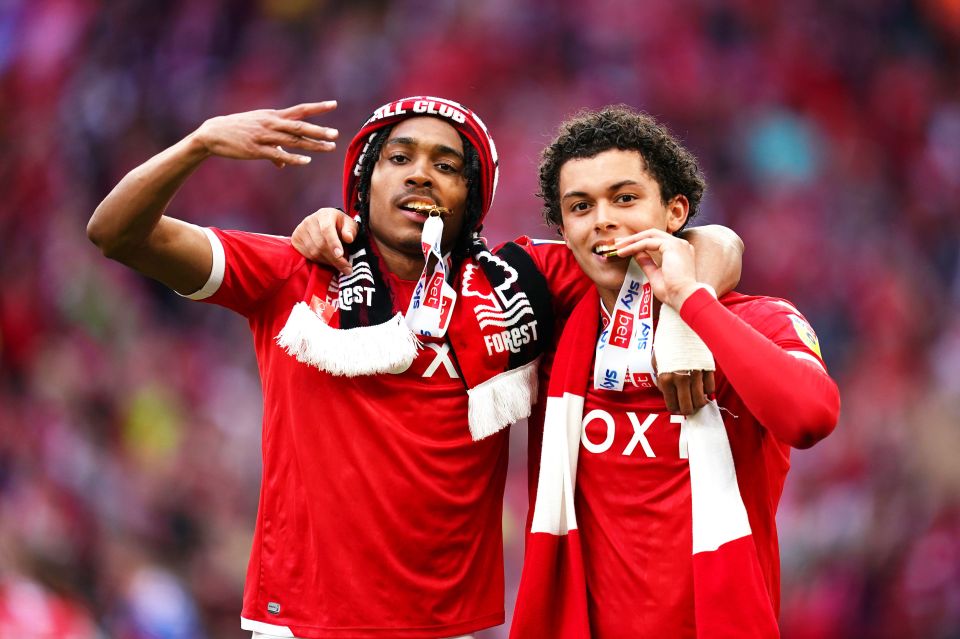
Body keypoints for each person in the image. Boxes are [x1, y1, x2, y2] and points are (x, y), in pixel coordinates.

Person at [87, 96, 741, 639]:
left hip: (454, 628)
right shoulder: (292, 271)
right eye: (399, 158)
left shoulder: (523, 281)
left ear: (471, 196)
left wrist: (684, 312)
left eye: (446, 164)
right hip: (300, 626)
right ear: (365, 181)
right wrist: (200, 142)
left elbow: (710, 243)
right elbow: (116, 233)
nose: (420, 174)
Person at [505, 106, 841, 638]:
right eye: (580, 206)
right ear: (564, 230)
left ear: (676, 211)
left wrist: (690, 306)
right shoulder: (554, 318)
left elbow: (810, 417)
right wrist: (330, 229)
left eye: (625, 198)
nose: (603, 220)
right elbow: (430, 262)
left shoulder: (755, 320)